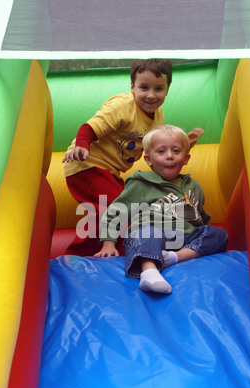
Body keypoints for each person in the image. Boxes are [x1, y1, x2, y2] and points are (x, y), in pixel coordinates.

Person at [62, 59, 204, 256]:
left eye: (159, 89)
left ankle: (91, 253)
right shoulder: (122, 106)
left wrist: (183, 144)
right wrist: (81, 146)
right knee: (118, 209)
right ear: (132, 87)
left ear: (167, 89)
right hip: (87, 165)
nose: (151, 95)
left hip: (110, 172)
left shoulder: (158, 115)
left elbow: (155, 147)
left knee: (125, 209)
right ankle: (100, 254)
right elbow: (89, 127)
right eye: (144, 87)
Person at [95, 124, 228, 295]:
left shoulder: (194, 186)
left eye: (176, 151)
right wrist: (108, 242)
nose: (169, 156)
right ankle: (149, 272)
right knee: (146, 232)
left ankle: (173, 258)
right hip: (151, 234)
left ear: (186, 158)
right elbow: (116, 211)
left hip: (184, 239)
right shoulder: (141, 183)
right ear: (148, 159)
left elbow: (200, 217)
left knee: (218, 234)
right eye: (161, 151)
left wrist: (205, 236)